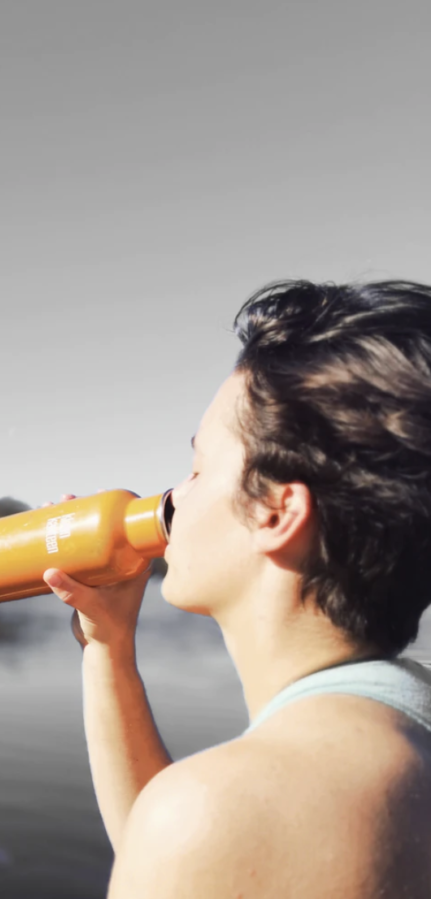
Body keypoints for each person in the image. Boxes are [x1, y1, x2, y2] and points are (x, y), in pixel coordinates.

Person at [44, 279, 431, 898]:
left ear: (277, 513)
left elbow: (196, 841)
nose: (172, 498)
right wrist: (108, 646)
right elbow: (186, 856)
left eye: (198, 470)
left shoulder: (220, 812)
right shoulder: (410, 716)